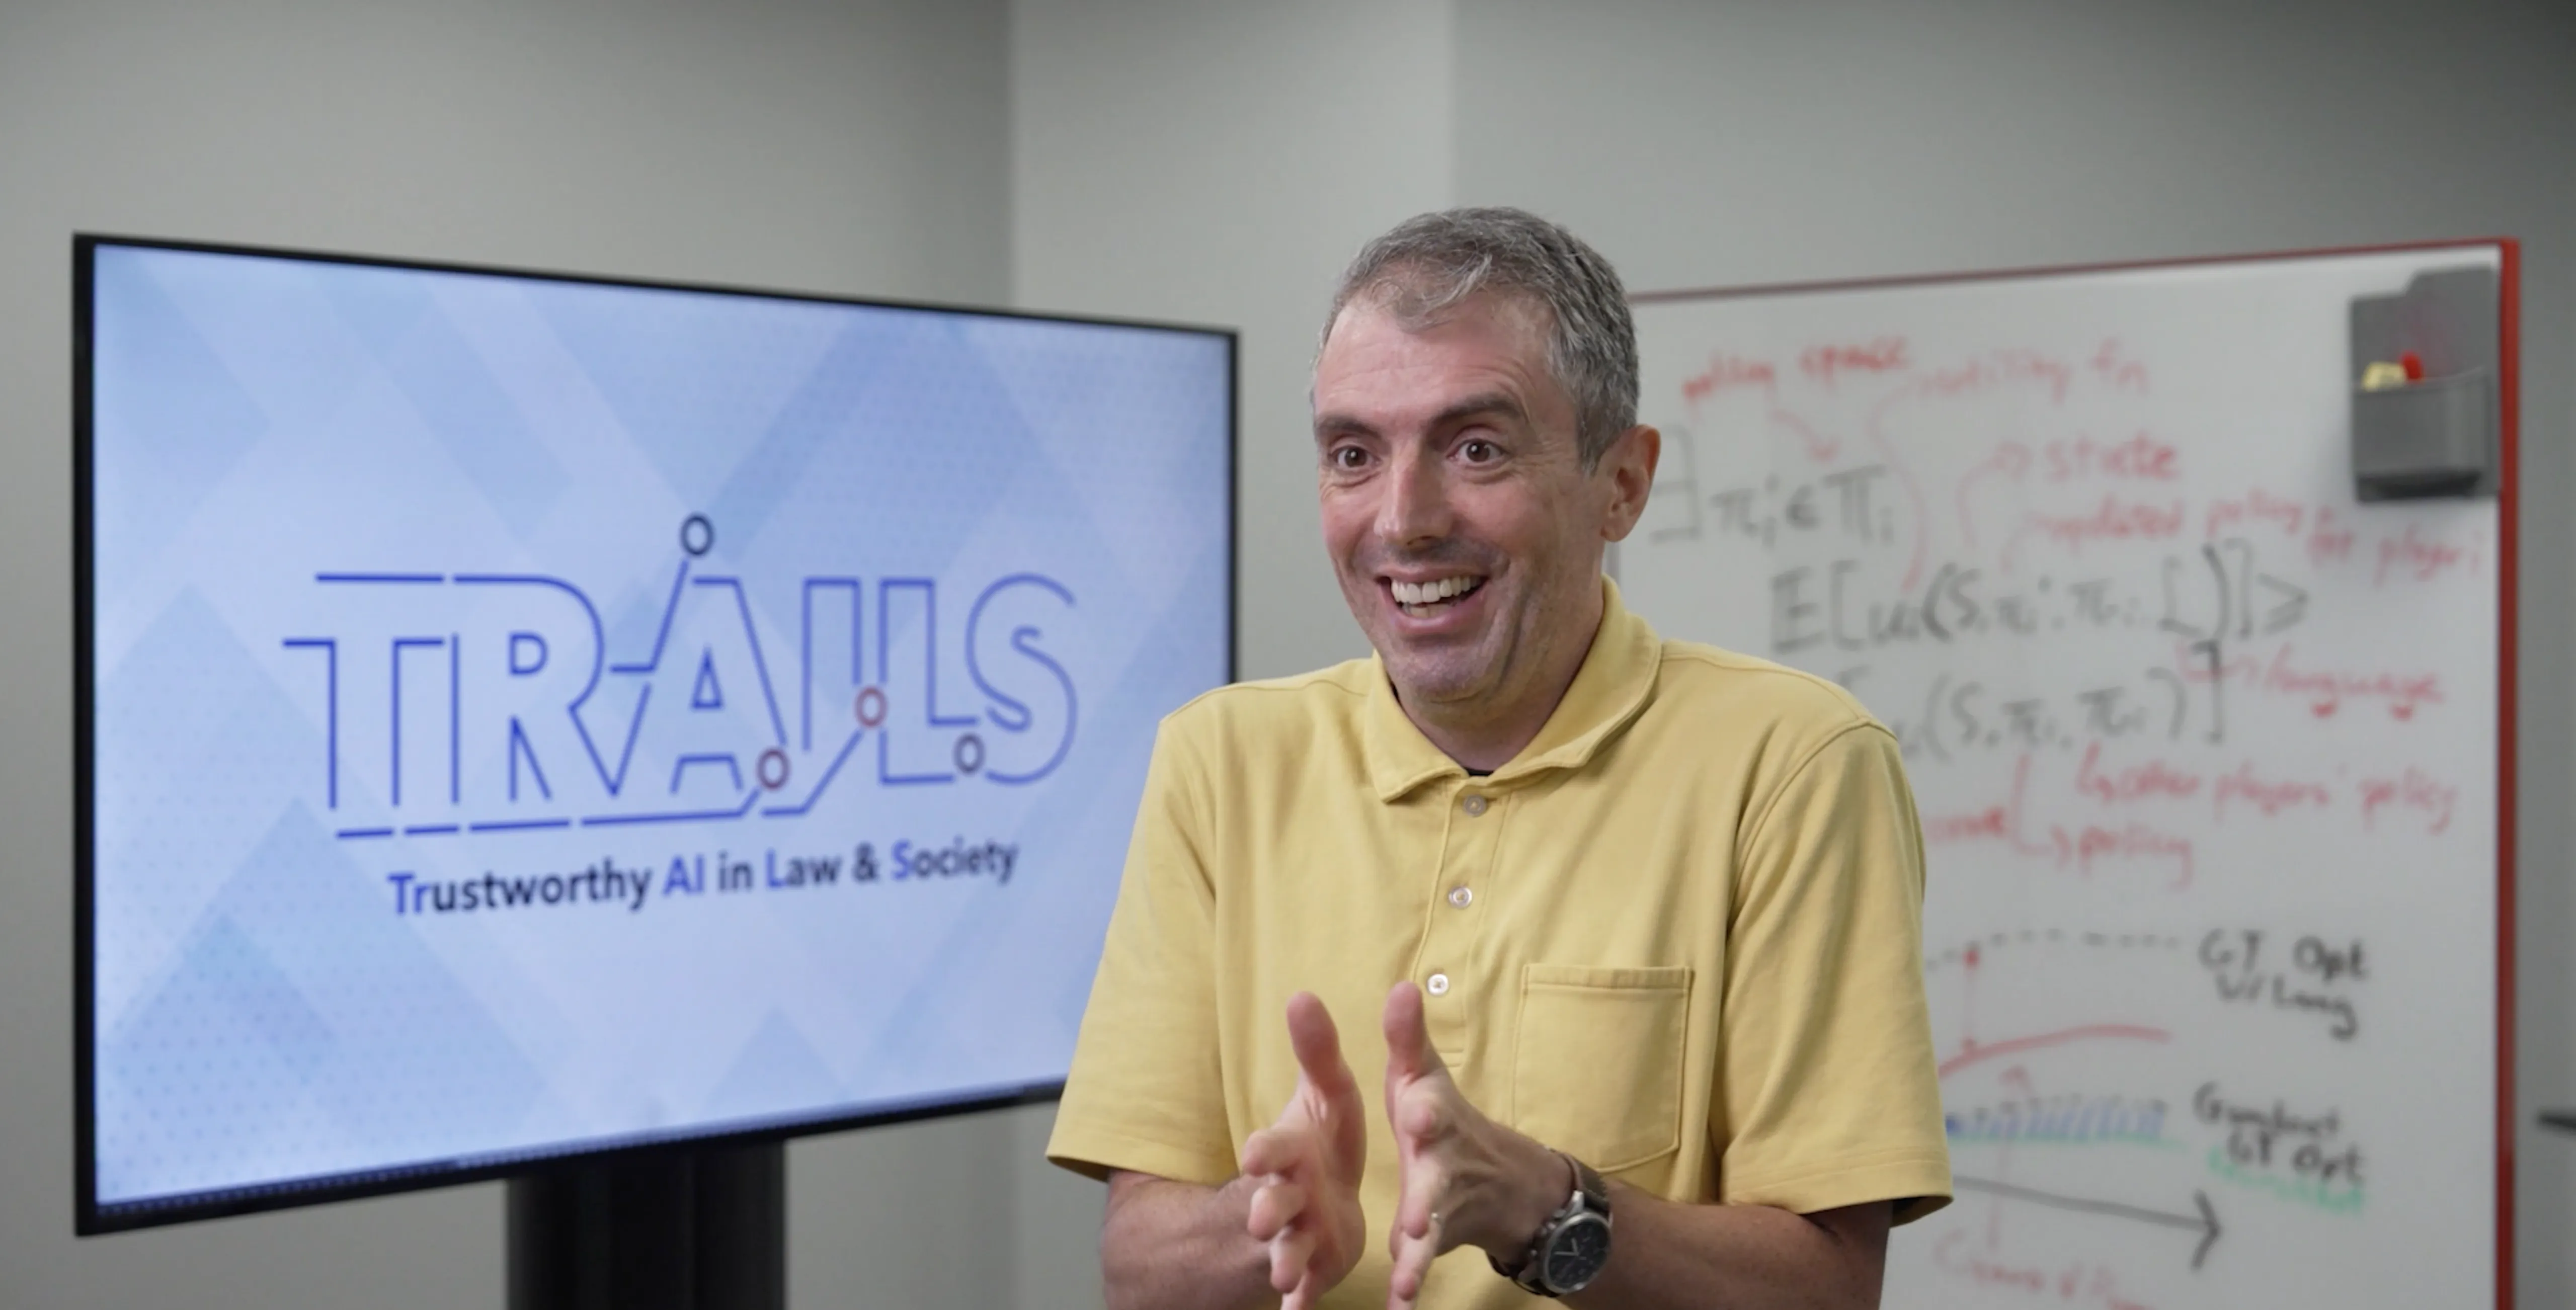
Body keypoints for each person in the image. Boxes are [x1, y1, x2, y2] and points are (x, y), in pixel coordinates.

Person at [1046, 207, 1950, 1309]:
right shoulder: (1219, 760)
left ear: (1622, 481)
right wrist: (1270, 1224)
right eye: (1352, 454)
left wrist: (1548, 1207)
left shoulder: (1797, 767)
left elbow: (1829, 1291)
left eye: (1475, 448)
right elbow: (1137, 1272)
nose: (1404, 520)